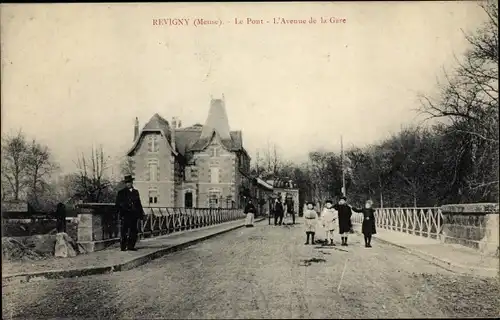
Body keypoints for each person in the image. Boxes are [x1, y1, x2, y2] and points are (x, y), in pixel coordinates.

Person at [115, 175, 145, 251]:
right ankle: (123, 247)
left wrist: (141, 215)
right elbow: (118, 204)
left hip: (134, 215)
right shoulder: (121, 192)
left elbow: (139, 204)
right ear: (125, 183)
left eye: (129, 182)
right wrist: (120, 212)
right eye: (127, 182)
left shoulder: (135, 192)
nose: (128, 184)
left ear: (132, 182)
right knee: (124, 231)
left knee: (133, 231)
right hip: (125, 215)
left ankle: (131, 246)